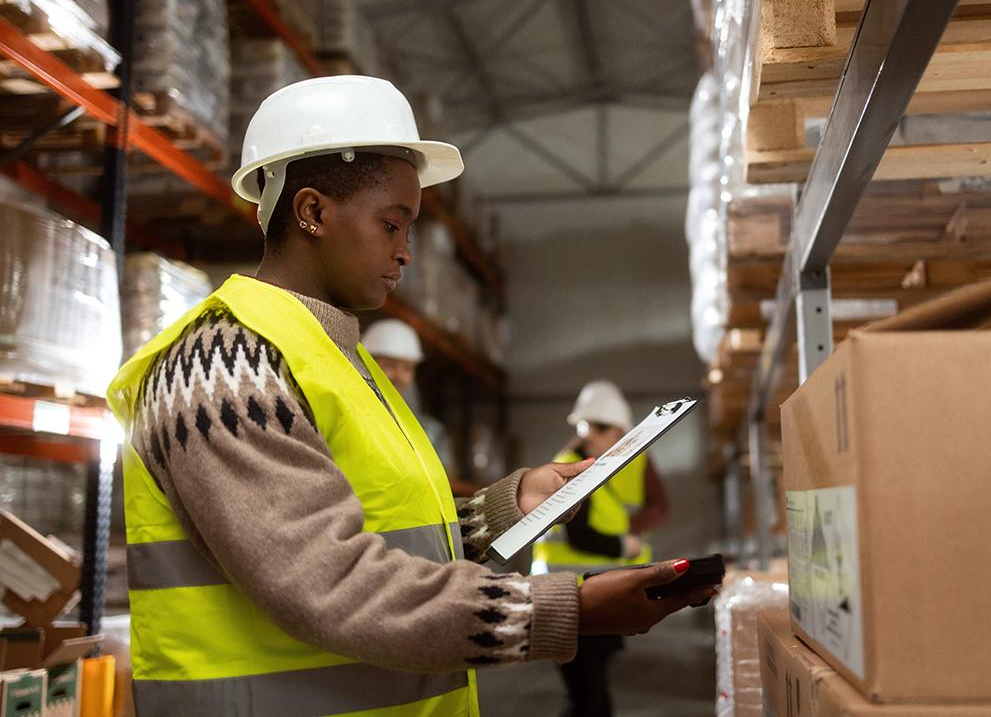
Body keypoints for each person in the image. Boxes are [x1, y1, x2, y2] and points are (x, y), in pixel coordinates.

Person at [106, 76, 715, 717]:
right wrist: (569, 610)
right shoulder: (223, 368)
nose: (407, 253)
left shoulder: (340, 359)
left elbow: (387, 536)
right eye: (392, 224)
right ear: (311, 212)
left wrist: (510, 509)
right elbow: (331, 584)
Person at [532, 380, 672, 717]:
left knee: (593, 697)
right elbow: (580, 537)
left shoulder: (617, 464)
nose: (590, 433)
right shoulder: (571, 467)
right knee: (584, 698)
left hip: (602, 595)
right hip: (570, 598)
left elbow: (659, 506)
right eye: (585, 426)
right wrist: (625, 543)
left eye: (600, 426)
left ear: (621, 431)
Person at [361, 318, 479, 495]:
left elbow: (445, 484)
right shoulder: (352, 416)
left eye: (407, 368)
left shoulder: (431, 432)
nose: (399, 376)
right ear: (364, 363)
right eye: (390, 365)